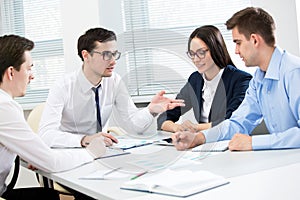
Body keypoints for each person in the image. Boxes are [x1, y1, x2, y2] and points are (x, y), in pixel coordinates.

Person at [172, 7, 300, 151]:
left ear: (254, 40)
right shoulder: (258, 80)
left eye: (238, 43)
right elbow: (237, 123)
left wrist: (253, 143)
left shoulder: (294, 72)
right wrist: (199, 138)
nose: (236, 51)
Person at [38, 27, 184, 148]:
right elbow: (46, 135)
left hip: (102, 152)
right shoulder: (63, 86)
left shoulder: (114, 81)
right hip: (70, 152)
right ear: (86, 55)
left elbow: (133, 125)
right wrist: (84, 139)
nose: (113, 61)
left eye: (114, 54)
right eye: (106, 55)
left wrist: (151, 110)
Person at [0, 34, 106, 200]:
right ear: (11, 73)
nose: (32, 76)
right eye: (29, 68)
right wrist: (91, 153)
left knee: (48, 195)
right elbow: (51, 162)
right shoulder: (4, 106)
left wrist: (32, 154)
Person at [157, 25, 252, 133]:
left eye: (201, 53)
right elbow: (164, 118)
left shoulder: (241, 80)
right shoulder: (195, 80)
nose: (196, 59)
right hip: (202, 143)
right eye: (192, 54)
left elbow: (231, 122)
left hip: (229, 144)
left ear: (216, 49)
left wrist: (195, 128)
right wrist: (177, 128)